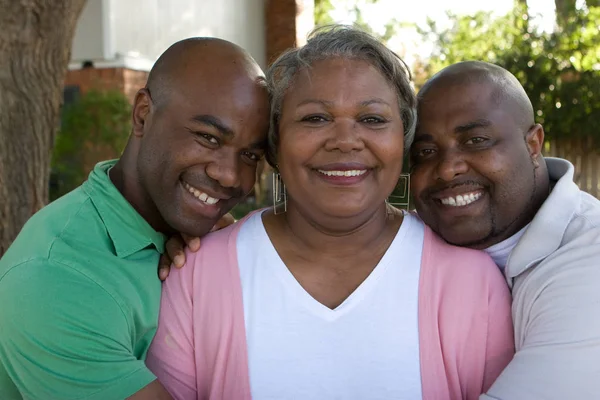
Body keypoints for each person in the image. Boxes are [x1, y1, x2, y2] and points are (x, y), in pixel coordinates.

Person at [146, 26, 514, 400]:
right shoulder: (195, 276)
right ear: (274, 143)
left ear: (402, 140)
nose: (345, 141)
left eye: (372, 119)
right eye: (315, 118)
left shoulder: (471, 281)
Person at [0, 38, 269, 399]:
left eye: (251, 155)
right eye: (207, 137)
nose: (231, 176)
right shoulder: (57, 278)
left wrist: (212, 257)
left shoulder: (192, 242)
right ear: (143, 113)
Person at [410, 60, 600, 399]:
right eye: (426, 151)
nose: (448, 169)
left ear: (533, 144)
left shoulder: (589, 256)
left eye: (476, 140)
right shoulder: (409, 246)